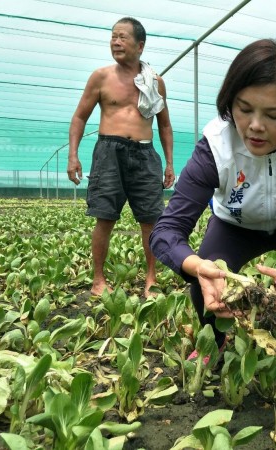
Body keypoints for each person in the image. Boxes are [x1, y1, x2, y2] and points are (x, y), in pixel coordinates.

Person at [150, 39, 276, 369]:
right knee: (208, 267)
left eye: (274, 115)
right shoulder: (215, 144)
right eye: (244, 108)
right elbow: (166, 231)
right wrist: (195, 266)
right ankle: (213, 341)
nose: (254, 126)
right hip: (232, 225)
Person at [67, 17, 174, 298]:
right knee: (104, 217)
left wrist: (170, 162)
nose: (116, 42)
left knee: (151, 219)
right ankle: (99, 279)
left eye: (123, 37)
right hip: (108, 152)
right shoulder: (101, 77)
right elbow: (80, 116)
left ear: (140, 45)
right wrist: (73, 155)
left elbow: (164, 125)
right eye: (113, 36)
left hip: (144, 153)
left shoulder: (155, 82)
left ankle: (151, 278)